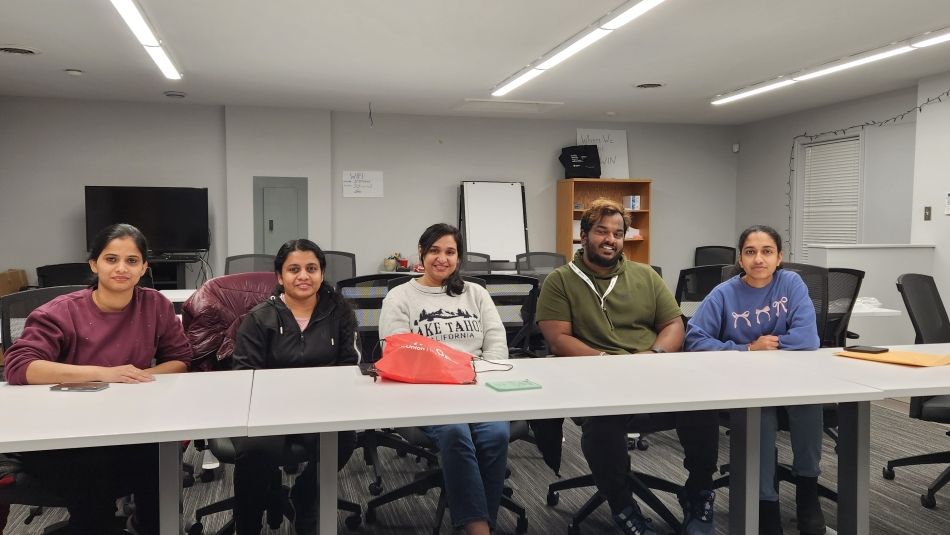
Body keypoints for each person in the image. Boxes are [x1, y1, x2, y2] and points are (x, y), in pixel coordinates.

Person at [536, 198, 719, 535]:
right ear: (584, 235)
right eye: (602, 231)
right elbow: (558, 339)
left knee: (702, 406)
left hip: (651, 371)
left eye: (618, 233)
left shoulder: (645, 275)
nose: (611, 239)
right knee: (602, 424)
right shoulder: (560, 281)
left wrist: (655, 356)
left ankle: (698, 492)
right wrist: (608, 364)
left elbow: (675, 326)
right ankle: (622, 506)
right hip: (596, 378)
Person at [3, 223, 191, 535]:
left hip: (130, 424)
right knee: (92, 477)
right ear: (94, 264)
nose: (121, 268)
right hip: (64, 432)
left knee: (160, 458)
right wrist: (106, 374)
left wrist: (137, 376)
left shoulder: (155, 305)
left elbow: (180, 361)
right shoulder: (61, 312)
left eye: (132, 261)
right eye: (111, 259)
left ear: (144, 267)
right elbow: (20, 366)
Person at [685, 225, 824, 535]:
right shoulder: (725, 293)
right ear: (740, 258)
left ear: (779, 258)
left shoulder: (791, 283)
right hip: (745, 383)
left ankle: (807, 494)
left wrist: (769, 347)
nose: (758, 259)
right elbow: (694, 338)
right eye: (750, 252)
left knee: (809, 403)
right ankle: (766, 505)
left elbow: (808, 338)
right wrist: (747, 348)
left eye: (766, 252)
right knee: (759, 416)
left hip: (791, 380)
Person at [378, 223, 508, 535]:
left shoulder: (475, 293)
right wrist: (442, 373)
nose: (442, 258)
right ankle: (478, 528)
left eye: (450, 252)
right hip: (427, 390)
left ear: (459, 258)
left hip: (477, 385)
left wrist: (480, 375)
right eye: (434, 250)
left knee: (497, 435)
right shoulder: (401, 296)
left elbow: (497, 344)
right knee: (454, 432)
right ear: (421, 253)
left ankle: (481, 519)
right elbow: (395, 350)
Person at [230, 239, 361, 535]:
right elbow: (244, 375)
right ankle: (248, 524)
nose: (303, 276)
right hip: (268, 411)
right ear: (279, 276)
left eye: (311, 268)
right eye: (294, 269)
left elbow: (349, 367)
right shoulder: (259, 317)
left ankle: (304, 494)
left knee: (344, 439)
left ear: (322, 273)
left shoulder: (338, 313)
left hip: (321, 408)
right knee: (254, 450)